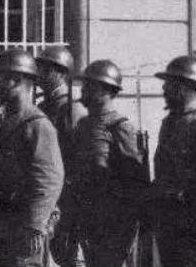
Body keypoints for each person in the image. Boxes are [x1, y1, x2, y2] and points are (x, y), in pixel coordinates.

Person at [0, 48, 64, 267]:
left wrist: (35, 225)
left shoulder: (37, 125)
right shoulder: (8, 120)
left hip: (25, 231)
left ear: (16, 80)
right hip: (4, 226)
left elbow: (50, 179)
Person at [150, 56, 196, 267]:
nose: (163, 89)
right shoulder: (169, 123)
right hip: (169, 223)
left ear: (183, 88)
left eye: (168, 83)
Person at [71, 60, 146, 267]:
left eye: (89, 85)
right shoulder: (84, 125)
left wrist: (125, 232)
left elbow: (135, 185)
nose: (83, 90)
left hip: (114, 227)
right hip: (88, 220)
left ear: (105, 90)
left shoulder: (121, 128)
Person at [34, 46, 86, 267]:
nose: (39, 74)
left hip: (67, 201)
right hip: (49, 197)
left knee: (69, 257)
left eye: (46, 69)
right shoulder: (44, 106)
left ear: (62, 73)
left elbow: (79, 161)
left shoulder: (72, 110)